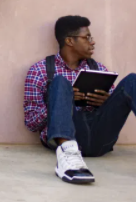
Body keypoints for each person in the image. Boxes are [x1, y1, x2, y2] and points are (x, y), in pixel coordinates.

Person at [24, 15, 136, 184]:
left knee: (133, 81)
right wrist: (62, 102)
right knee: (60, 82)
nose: (92, 42)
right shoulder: (40, 71)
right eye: (87, 37)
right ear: (70, 41)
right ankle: (68, 160)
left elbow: (111, 110)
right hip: (68, 138)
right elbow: (31, 122)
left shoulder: (98, 68)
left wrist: (104, 102)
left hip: (99, 136)